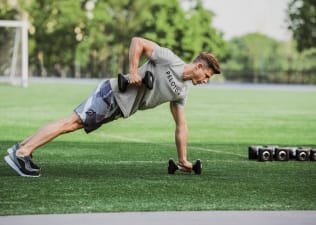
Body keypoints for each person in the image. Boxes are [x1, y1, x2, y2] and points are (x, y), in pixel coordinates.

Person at [4, 37, 221, 177]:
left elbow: (181, 126)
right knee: (71, 123)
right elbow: (138, 42)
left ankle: (20, 148)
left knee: (72, 123)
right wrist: (134, 71)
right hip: (112, 93)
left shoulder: (182, 91)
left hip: (119, 108)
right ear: (199, 66)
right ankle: (23, 153)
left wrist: (182, 158)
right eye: (207, 75)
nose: (205, 80)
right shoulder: (170, 60)